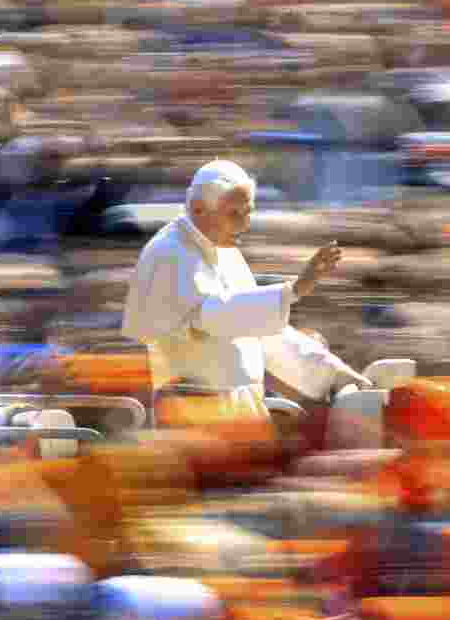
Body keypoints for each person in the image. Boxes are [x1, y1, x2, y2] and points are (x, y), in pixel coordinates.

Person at [122, 159, 371, 426]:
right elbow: (212, 316)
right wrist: (293, 290)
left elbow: (261, 330)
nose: (244, 225)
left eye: (248, 212)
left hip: (240, 413)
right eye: (235, 214)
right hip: (195, 418)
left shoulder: (225, 252)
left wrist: (333, 374)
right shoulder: (169, 253)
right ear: (198, 209)